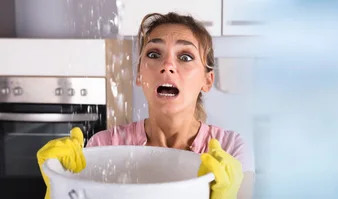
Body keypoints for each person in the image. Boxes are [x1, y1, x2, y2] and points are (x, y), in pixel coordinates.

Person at [36, 12, 254, 199]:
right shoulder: (104, 145)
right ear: (139, 74)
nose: (167, 65)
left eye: (185, 57)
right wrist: (57, 186)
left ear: (207, 80)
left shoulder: (230, 150)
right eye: (153, 54)